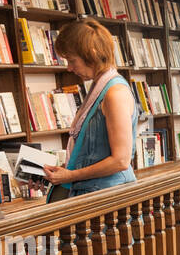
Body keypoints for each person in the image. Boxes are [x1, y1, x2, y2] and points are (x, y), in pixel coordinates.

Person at [44, 19, 137, 197]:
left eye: (72, 60)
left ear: (91, 54)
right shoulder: (99, 88)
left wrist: (70, 175)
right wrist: (62, 172)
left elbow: (121, 160)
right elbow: (94, 152)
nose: (69, 68)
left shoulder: (114, 93)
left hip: (109, 197)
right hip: (97, 193)